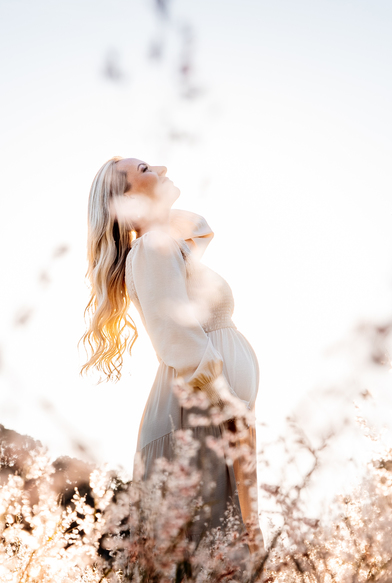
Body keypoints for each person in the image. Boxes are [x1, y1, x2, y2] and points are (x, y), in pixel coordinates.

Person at [81, 156, 261, 552]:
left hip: (210, 414)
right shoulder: (151, 248)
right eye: (145, 169)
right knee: (204, 564)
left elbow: (199, 228)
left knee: (224, 557)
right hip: (200, 414)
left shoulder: (163, 245)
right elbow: (177, 341)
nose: (161, 169)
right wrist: (228, 406)